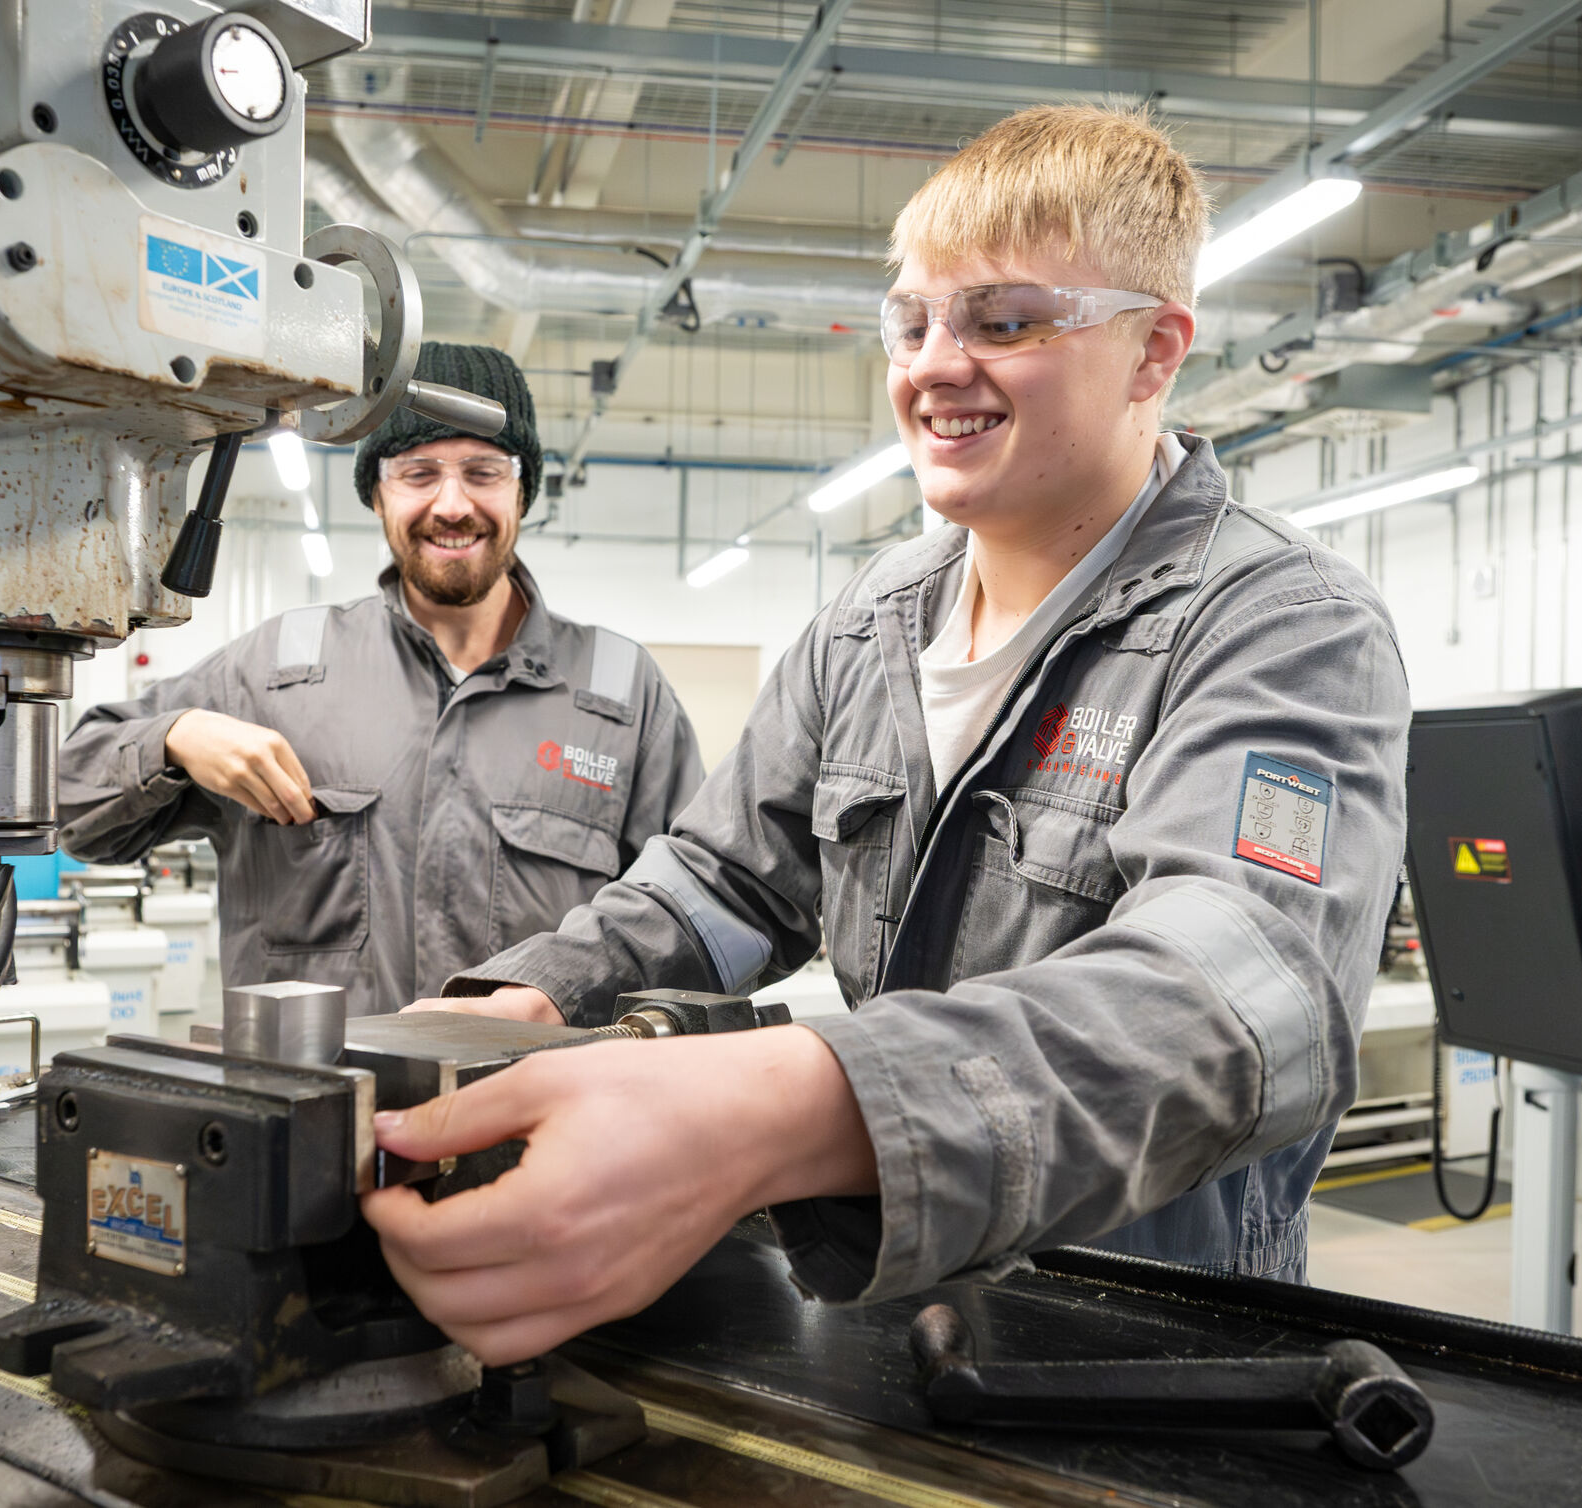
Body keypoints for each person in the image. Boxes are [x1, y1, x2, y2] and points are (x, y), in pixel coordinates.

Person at [361, 105, 1412, 1365]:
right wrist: (537, 995)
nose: (934, 366)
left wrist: (785, 1105)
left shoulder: (1285, 626)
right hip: (894, 1302)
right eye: (913, 322)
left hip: (1138, 1341)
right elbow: (728, 882)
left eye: (1004, 322)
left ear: (1152, 353)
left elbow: (1221, 1004)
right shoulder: (874, 621)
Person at [54, 344, 706, 1016]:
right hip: (312, 1082)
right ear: (376, 493)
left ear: (523, 490)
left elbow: (694, 912)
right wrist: (175, 738)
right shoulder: (274, 671)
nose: (452, 504)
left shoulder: (622, 695)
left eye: (483, 472)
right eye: (418, 473)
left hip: (541, 1083)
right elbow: (70, 807)